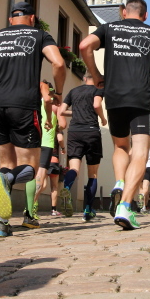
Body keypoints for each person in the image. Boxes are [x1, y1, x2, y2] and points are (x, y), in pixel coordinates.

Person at [0, 1, 65, 238]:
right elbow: (59, 62)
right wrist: (59, 92)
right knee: (29, 168)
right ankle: (7, 181)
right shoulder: (40, 35)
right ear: (32, 18)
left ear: (10, 20)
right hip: (23, 105)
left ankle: (1, 224)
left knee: (5, 163)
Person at [80, 0, 150, 230]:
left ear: (123, 12)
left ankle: (120, 182)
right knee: (140, 152)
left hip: (114, 96)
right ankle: (125, 206)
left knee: (121, 146)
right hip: (141, 98)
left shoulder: (109, 29)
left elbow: (84, 46)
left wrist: (96, 75)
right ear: (145, 15)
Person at [57, 72, 107, 222]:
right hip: (91, 132)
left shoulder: (73, 91)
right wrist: (103, 118)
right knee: (93, 174)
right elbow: (96, 104)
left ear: (84, 79)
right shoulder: (98, 89)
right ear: (96, 79)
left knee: (74, 168)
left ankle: (66, 188)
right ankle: (88, 210)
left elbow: (61, 111)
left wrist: (76, 112)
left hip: (74, 132)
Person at [29, 80, 60, 226]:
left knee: (36, 176)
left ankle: (31, 204)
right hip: (47, 143)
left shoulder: (34, 103)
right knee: (40, 176)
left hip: (34, 141)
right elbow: (63, 124)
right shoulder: (53, 106)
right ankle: (30, 206)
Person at [47, 126, 65, 216]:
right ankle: (53, 210)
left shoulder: (43, 127)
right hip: (53, 159)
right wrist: (63, 148)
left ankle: (32, 207)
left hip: (42, 159)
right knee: (54, 187)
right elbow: (60, 139)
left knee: (40, 184)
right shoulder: (57, 129)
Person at [137, 148, 150, 213]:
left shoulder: (138, 145)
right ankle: (143, 206)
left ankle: (141, 206)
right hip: (148, 166)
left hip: (139, 166)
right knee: (145, 187)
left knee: (140, 188)